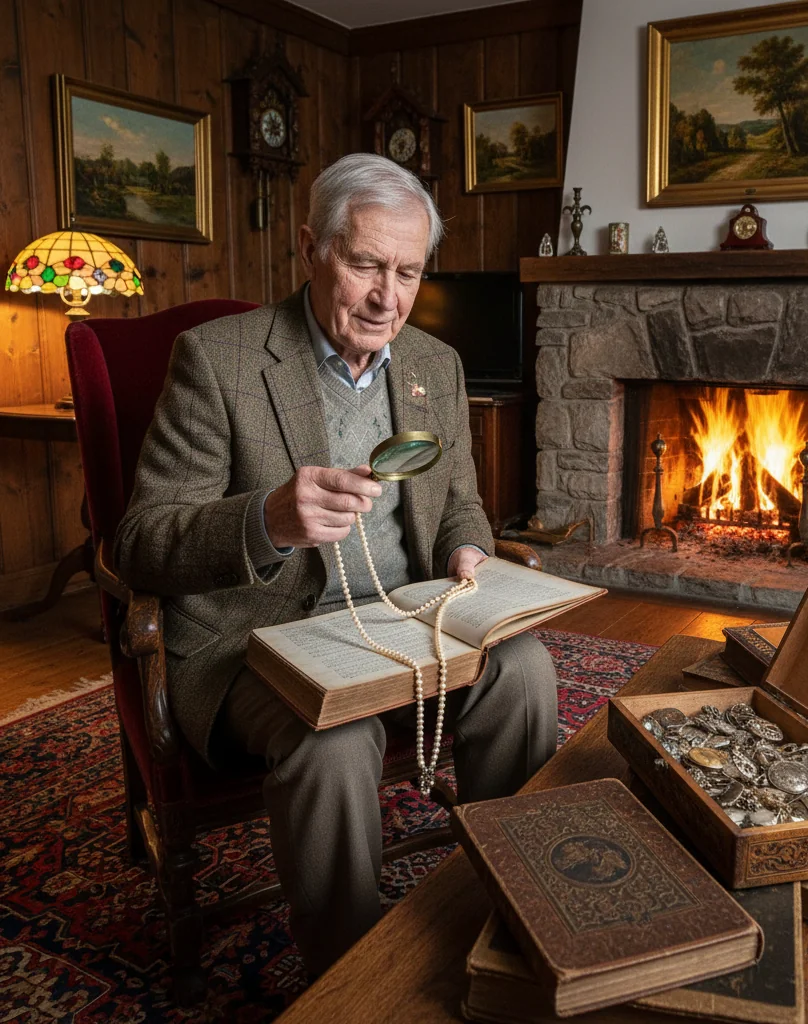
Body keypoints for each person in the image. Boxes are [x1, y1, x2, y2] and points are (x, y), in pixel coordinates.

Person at [113, 152, 558, 977]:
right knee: (333, 730)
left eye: (409, 271)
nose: (388, 298)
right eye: (364, 265)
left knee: (525, 667)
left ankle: (516, 904)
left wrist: (469, 548)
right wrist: (266, 520)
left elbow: (458, 500)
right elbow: (139, 539)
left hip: (403, 613)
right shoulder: (219, 361)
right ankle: (349, 971)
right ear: (310, 247)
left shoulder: (435, 364)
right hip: (259, 638)